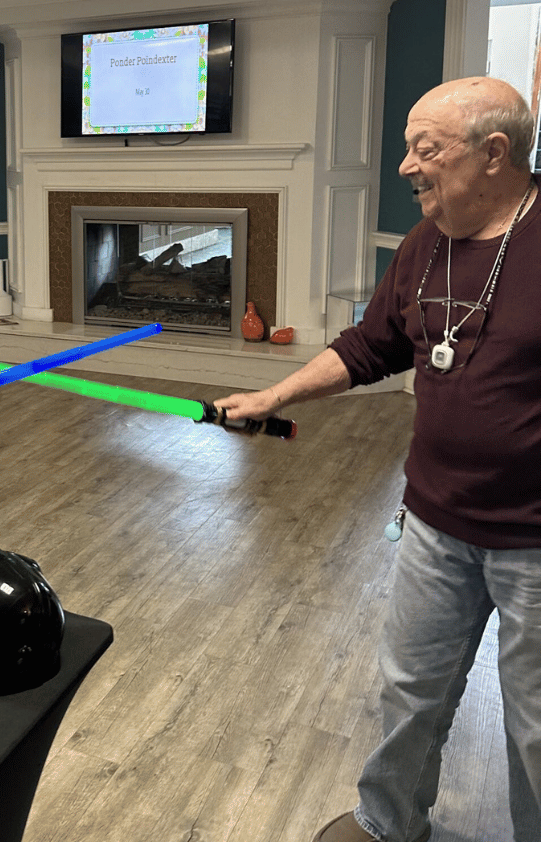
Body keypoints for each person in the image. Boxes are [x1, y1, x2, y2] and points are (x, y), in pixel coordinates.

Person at [215, 76, 541, 842]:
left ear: (495, 153)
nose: (406, 167)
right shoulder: (427, 244)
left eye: (426, 149)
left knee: (535, 725)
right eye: (407, 148)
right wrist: (273, 396)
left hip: (534, 539)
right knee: (411, 692)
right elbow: (371, 346)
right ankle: (388, 822)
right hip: (434, 521)